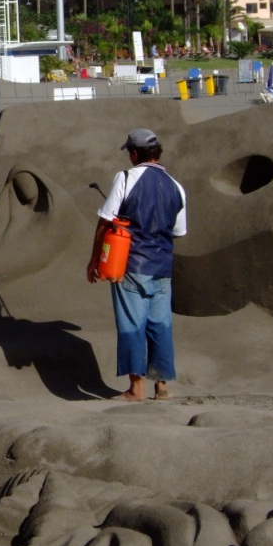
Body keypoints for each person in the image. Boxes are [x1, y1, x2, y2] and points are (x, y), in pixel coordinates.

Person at [88, 128, 188, 402]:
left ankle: (136, 389)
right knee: (160, 326)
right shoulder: (176, 186)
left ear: (134, 154)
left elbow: (106, 220)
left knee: (132, 324)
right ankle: (162, 387)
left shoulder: (125, 178)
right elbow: (179, 231)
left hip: (130, 265)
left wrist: (94, 259)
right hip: (162, 268)